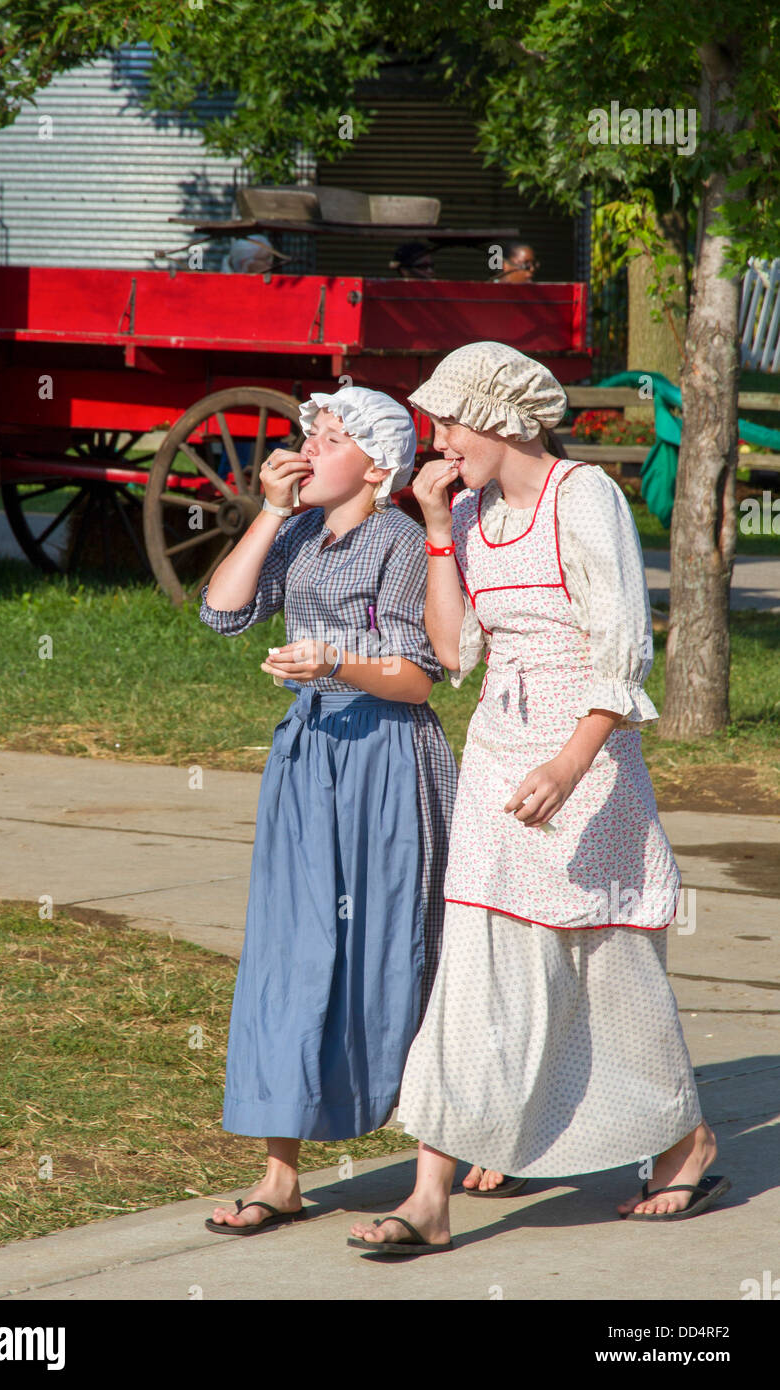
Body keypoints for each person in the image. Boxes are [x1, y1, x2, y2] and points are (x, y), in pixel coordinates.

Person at [348, 341, 729, 1256]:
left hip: (583, 761)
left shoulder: (583, 497)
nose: (437, 440)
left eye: (447, 421)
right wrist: (438, 529)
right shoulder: (471, 511)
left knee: (604, 961)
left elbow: (624, 646)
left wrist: (568, 765)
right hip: (495, 752)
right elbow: (456, 651)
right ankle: (431, 1192)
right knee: (476, 955)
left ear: (498, 418)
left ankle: (682, 1139)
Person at [198, 385, 458, 1233]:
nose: (309, 447)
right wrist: (270, 513)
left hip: (385, 758)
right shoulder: (302, 530)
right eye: (308, 430)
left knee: (396, 945)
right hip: (307, 759)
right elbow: (222, 610)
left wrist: (334, 664)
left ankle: (456, 1146)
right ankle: (280, 1174)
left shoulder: (398, 540)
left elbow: (421, 676)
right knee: (291, 946)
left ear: (379, 465)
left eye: (333, 436)